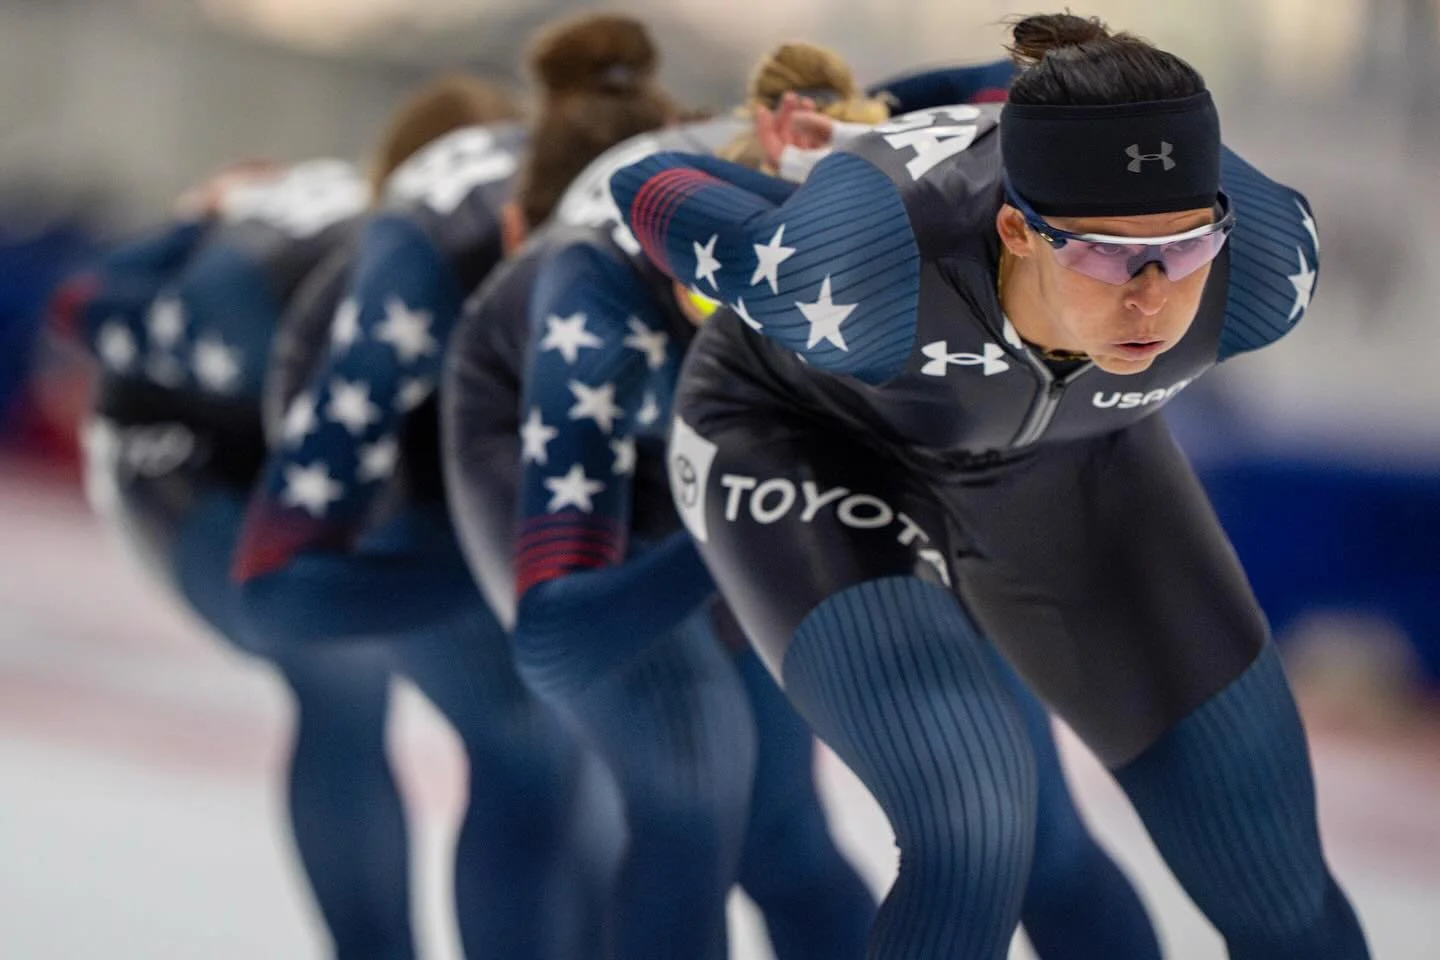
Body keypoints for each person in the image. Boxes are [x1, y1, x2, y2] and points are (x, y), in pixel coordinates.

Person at [607, 13, 1369, 960]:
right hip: (809, 440)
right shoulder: (854, 270)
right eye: (1100, 253)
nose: (1149, 298)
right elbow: (640, 180)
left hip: (1074, 456)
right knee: (974, 823)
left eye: (1182, 250)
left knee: (1275, 880)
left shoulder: (1263, 271)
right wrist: (801, 175)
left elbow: (1085, 141)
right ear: (1015, 228)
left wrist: (938, 107)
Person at [226, 74, 614, 960]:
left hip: (423, 476)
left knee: (577, 751)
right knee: (513, 740)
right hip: (339, 485)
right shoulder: (390, 282)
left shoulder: (536, 249)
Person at [51, 158, 437, 959]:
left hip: (314, 407)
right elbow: (79, 311)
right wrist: (197, 227)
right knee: (340, 667)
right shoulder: (248, 298)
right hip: (186, 450)